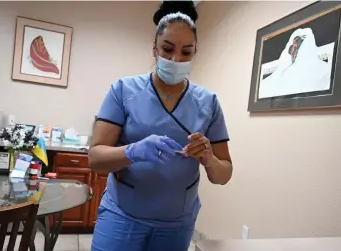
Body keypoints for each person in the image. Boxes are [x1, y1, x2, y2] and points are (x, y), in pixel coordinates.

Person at [89, 1, 233, 251]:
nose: (176, 59)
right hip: (123, 216)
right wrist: (132, 151)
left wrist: (209, 159)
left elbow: (224, 173)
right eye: (167, 49)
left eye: (186, 52)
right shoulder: (123, 91)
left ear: (194, 54)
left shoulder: (208, 103)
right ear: (154, 48)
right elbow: (95, 158)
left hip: (176, 224)